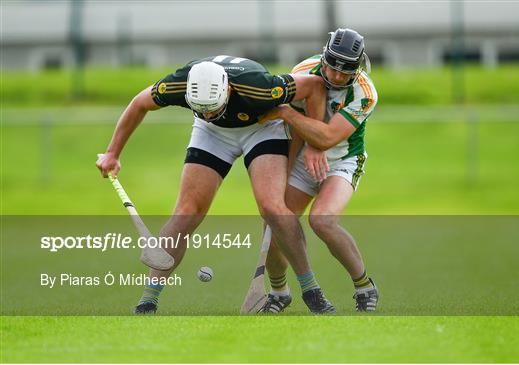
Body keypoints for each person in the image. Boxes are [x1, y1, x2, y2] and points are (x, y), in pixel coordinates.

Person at [96, 55, 336, 314]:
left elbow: (314, 86)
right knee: (186, 212)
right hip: (212, 133)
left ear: (228, 90)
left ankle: (311, 290)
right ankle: (148, 299)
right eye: (202, 109)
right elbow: (139, 103)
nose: (209, 113)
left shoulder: (261, 86)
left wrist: (315, 144)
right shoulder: (179, 84)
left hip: (261, 126)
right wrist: (112, 153)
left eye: (213, 107)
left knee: (273, 209)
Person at [259, 29, 379, 313]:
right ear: (324, 56)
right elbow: (296, 129)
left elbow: (326, 138)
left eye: (346, 70)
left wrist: (287, 113)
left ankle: (364, 286)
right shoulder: (301, 72)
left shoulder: (365, 92)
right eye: (332, 66)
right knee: (276, 223)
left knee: (322, 221)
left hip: (343, 160)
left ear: (359, 66)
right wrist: (285, 171)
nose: (336, 76)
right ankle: (279, 292)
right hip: (302, 159)